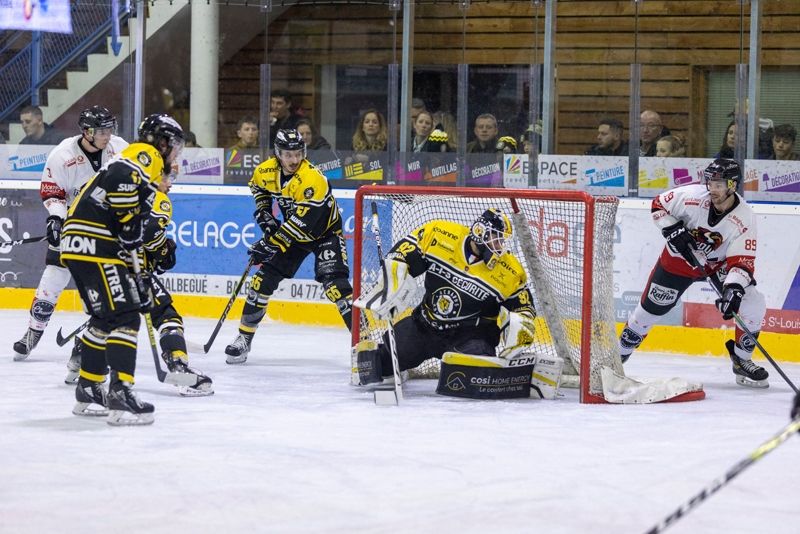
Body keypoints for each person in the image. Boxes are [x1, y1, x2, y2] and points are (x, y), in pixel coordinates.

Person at [61, 113, 185, 425]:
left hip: (77, 240)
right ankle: (120, 392)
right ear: (162, 141)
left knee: (104, 318)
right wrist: (130, 221)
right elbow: (119, 179)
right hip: (97, 241)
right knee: (127, 315)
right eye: (175, 145)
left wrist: (132, 226)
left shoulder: (140, 162)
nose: (175, 152)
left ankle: (89, 387)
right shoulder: (147, 155)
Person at [352, 209, 542, 392]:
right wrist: (392, 282)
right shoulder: (438, 234)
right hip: (424, 325)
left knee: (476, 376)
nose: (500, 246)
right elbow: (400, 256)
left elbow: (524, 307)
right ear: (480, 232)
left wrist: (521, 324)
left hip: (470, 335)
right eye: (497, 239)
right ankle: (387, 362)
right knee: (374, 369)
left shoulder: (510, 271)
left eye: (502, 241)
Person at [619, 159, 769, 388]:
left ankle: (742, 359)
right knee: (648, 313)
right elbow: (658, 205)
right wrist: (672, 228)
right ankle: (617, 355)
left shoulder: (745, 218)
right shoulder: (691, 197)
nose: (712, 189)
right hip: (676, 265)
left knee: (752, 302)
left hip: (717, 267)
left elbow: (741, 261)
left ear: (733, 185)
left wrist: (733, 290)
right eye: (710, 183)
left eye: (719, 184)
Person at [12, 106, 129, 382]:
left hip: (107, 229)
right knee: (54, 275)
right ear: (86, 132)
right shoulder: (63, 155)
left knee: (107, 287)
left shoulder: (120, 148)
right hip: (74, 224)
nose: (107, 135)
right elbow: (53, 192)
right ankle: (34, 331)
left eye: (109, 129)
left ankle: (90, 343)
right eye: (101, 131)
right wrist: (56, 218)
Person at [224, 129, 353, 363]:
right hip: (293, 235)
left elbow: (302, 225)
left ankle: (364, 343)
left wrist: (268, 243)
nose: (294, 160)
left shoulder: (312, 179)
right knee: (261, 281)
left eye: (298, 154)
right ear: (278, 154)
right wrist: (264, 212)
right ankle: (244, 339)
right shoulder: (265, 171)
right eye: (288, 154)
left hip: (325, 234)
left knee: (337, 287)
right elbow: (258, 188)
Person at [143, 177, 213, 396]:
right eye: (166, 178)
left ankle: (81, 361)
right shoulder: (157, 198)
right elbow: (150, 232)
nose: (169, 185)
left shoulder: (116, 191)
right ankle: (178, 365)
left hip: (99, 267)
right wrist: (163, 253)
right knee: (166, 315)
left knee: (108, 319)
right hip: (129, 270)